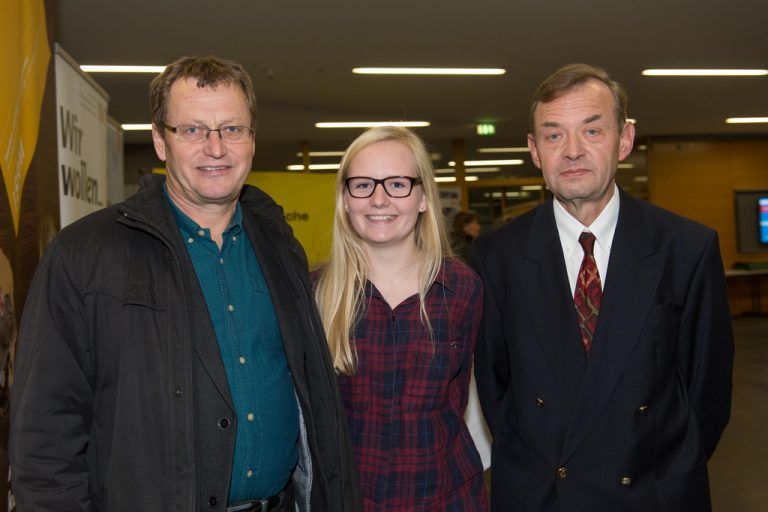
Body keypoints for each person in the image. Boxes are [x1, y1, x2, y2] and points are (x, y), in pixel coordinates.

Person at [10, 56, 361, 511]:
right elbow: (45, 428)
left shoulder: (280, 246)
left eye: (232, 129)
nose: (216, 149)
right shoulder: (86, 255)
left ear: (252, 138)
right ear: (160, 140)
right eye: (192, 130)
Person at [471, 63, 734, 512]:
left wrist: (665, 472)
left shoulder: (686, 248)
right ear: (534, 151)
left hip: (652, 493)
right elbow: (497, 391)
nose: (572, 151)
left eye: (592, 131)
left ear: (625, 140)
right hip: (543, 496)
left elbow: (707, 394)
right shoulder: (494, 257)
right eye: (554, 135)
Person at [314, 126, 489, 510]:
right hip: (349, 499)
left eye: (397, 184)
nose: (379, 199)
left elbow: (466, 396)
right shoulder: (316, 294)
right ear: (345, 198)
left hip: (448, 497)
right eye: (362, 185)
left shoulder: (462, 289)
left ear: (424, 196)